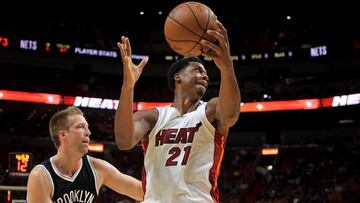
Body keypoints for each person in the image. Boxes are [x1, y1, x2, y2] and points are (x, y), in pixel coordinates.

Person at [115, 19, 240, 203]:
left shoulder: (210, 109)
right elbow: (124, 141)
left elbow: (230, 114)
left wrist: (227, 67)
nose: (204, 75)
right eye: (198, 70)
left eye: (206, 73)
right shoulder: (154, 117)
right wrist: (128, 87)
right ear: (178, 77)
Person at [27, 106, 143, 203]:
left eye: (87, 127)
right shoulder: (41, 176)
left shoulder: (98, 168)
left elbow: (141, 191)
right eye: (81, 127)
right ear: (63, 135)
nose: (88, 132)